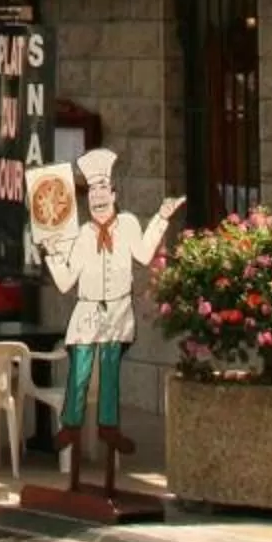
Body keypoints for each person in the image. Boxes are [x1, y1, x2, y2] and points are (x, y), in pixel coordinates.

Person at [38, 146, 182, 460]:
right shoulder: (81, 236)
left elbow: (144, 255)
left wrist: (161, 218)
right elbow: (65, 282)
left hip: (117, 309)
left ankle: (108, 426)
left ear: (114, 194)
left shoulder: (128, 225)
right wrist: (51, 253)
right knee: (80, 371)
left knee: (111, 370)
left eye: (102, 189)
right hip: (88, 311)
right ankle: (71, 425)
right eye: (92, 191)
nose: (97, 197)